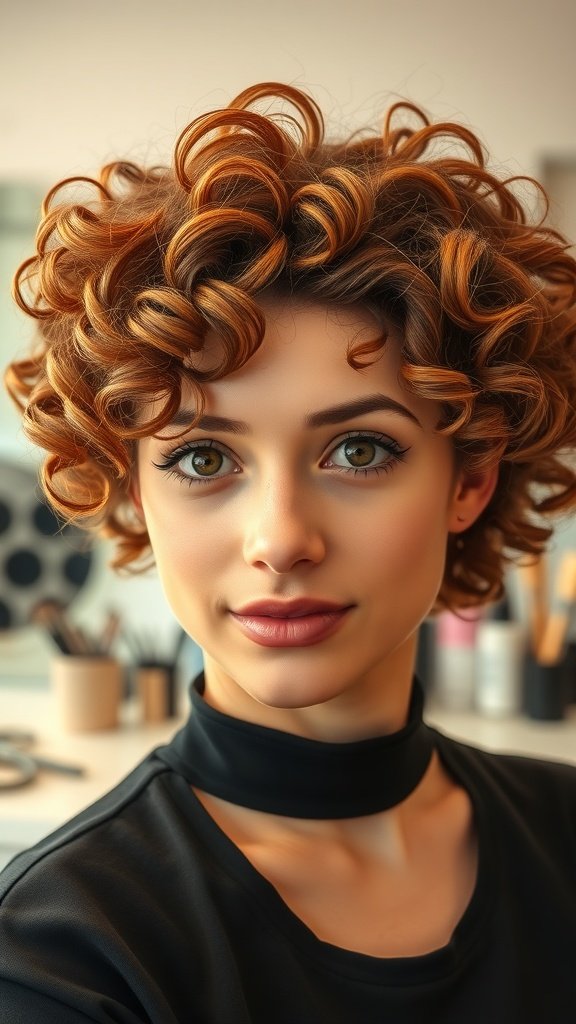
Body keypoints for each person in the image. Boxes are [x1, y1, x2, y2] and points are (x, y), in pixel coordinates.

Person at [1, 81, 576, 1023]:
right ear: (136, 491)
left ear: (468, 478)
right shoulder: (64, 950)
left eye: (359, 451)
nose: (280, 540)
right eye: (201, 457)